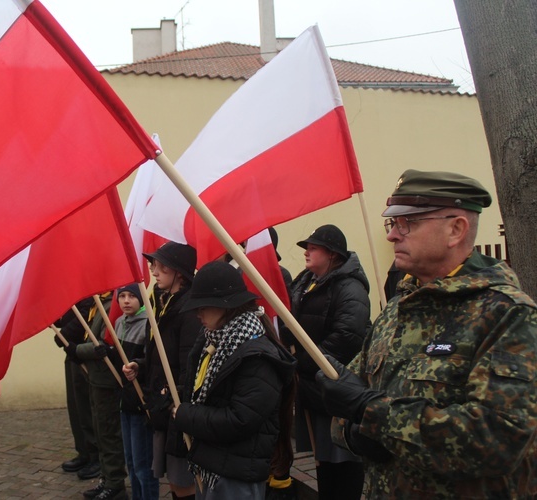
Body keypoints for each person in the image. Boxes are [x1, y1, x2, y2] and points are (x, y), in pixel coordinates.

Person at [315, 169, 537, 498]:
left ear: (456, 229)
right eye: (394, 224)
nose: (392, 236)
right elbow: (351, 396)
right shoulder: (398, 308)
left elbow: (497, 439)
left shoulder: (507, 315)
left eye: (409, 223)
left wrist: (373, 414)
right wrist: (351, 431)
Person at [171, 261, 296, 499]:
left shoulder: (256, 356)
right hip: (216, 465)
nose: (198, 313)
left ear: (227, 307)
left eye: (204, 306)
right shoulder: (219, 340)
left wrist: (186, 415)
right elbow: (212, 393)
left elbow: (240, 420)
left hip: (236, 474)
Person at [287, 224, 371, 500]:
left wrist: (305, 362)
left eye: (314, 247)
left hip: (335, 386)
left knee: (343, 460)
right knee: (324, 460)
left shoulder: (349, 287)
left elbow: (348, 336)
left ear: (333, 254)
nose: (307, 251)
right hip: (315, 385)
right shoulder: (305, 281)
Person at [122, 242, 200, 500]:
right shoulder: (160, 301)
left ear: (179, 272)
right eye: (153, 264)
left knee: (184, 479)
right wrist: (141, 366)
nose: (154, 271)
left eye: (161, 265)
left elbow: (189, 362)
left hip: (177, 405)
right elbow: (157, 354)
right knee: (173, 480)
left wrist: (176, 398)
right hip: (161, 403)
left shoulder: (189, 309)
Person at [72, 292, 128, 500]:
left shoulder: (111, 304)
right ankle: (106, 477)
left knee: (108, 431)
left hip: (107, 380)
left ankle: (115, 483)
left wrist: (76, 350)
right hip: (96, 378)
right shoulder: (100, 303)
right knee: (99, 429)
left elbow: (104, 344)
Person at [113, 284, 159, 500]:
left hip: (141, 403)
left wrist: (137, 366)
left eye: (132, 296)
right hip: (125, 401)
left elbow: (152, 361)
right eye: (121, 296)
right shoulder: (118, 323)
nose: (126, 301)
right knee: (130, 461)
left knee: (143, 464)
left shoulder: (149, 323)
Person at [54, 298, 100, 480]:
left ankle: (96, 456)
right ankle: (84, 451)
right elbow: (71, 311)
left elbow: (85, 313)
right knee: (76, 406)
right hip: (72, 351)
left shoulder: (91, 284)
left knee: (88, 408)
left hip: (83, 350)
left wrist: (63, 334)